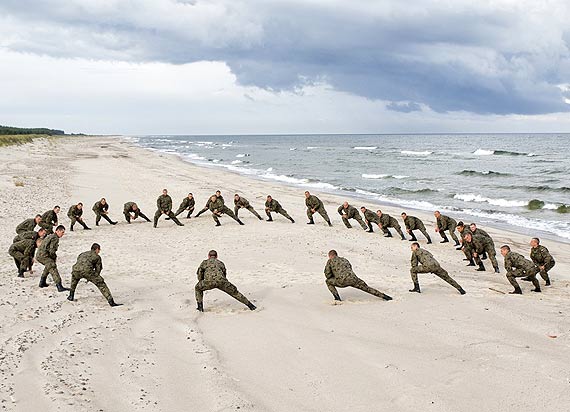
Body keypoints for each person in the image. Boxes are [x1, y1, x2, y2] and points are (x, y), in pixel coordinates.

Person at [324, 250, 392, 301]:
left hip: (342, 281)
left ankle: (337, 298)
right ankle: (384, 296)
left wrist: (334, 275)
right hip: (354, 279)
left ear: (330, 255)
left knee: (328, 281)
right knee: (366, 288)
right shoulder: (345, 259)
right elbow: (349, 268)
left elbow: (327, 274)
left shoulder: (330, 261)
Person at [36, 225, 69, 291]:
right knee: (52, 266)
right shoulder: (55, 238)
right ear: (57, 231)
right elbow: (52, 250)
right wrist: (53, 258)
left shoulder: (51, 236)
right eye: (62, 232)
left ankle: (42, 282)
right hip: (43, 255)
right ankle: (59, 286)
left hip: (40, 255)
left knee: (48, 266)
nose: (63, 234)